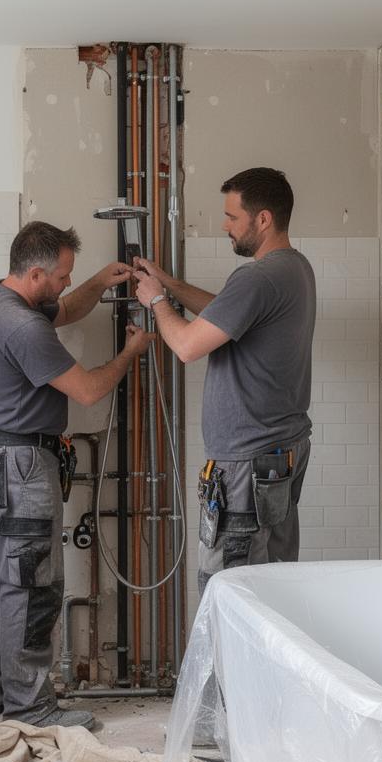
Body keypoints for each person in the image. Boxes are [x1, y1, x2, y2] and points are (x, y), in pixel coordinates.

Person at [0, 221, 152, 729]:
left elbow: (67, 308)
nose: (68, 283)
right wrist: (130, 354)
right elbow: (90, 389)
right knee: (33, 584)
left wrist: (99, 281)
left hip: (1, 455)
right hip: (25, 465)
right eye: (64, 275)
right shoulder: (24, 327)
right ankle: (31, 706)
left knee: (5, 578)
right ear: (34, 274)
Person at [134, 167, 315, 596]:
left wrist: (155, 300)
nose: (224, 225)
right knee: (271, 584)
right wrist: (171, 285)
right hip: (279, 451)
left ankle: (232, 667)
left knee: (231, 592)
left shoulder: (257, 277)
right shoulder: (294, 268)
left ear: (264, 219)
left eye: (233, 217)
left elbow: (187, 346)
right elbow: (226, 313)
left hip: (245, 464)